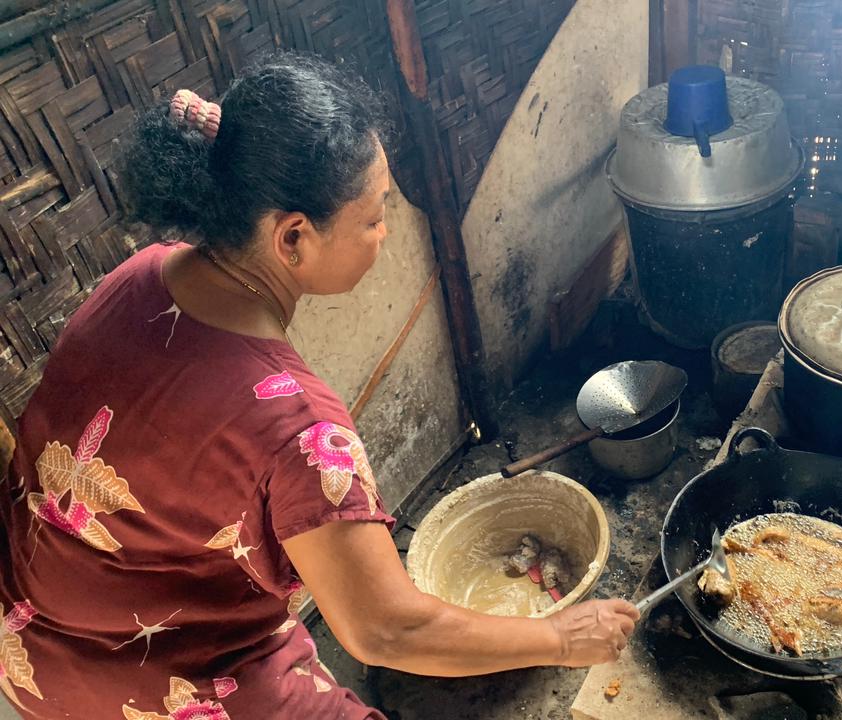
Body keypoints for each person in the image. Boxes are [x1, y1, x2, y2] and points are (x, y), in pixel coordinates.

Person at [0, 53, 638, 720]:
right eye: (373, 217)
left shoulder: (140, 275)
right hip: (155, 689)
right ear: (294, 238)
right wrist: (558, 637)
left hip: (30, 646)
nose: (385, 234)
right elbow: (383, 629)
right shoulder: (300, 429)